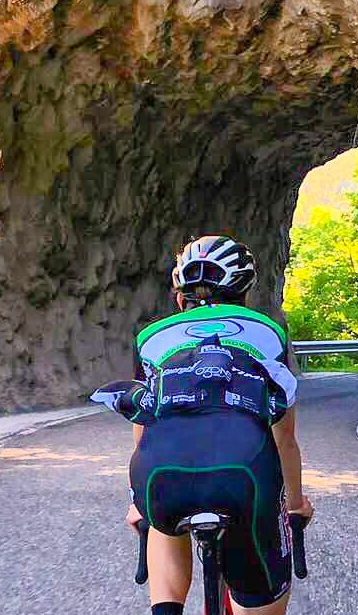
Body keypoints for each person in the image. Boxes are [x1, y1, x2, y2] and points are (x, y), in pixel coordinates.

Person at [91, 235, 313, 615]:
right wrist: (294, 505)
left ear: (180, 297)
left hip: (158, 473)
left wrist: (137, 503)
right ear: (245, 290)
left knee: (162, 513)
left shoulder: (151, 340)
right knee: (262, 589)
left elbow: (144, 427)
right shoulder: (269, 333)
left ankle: (166, 609)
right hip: (243, 475)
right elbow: (284, 440)